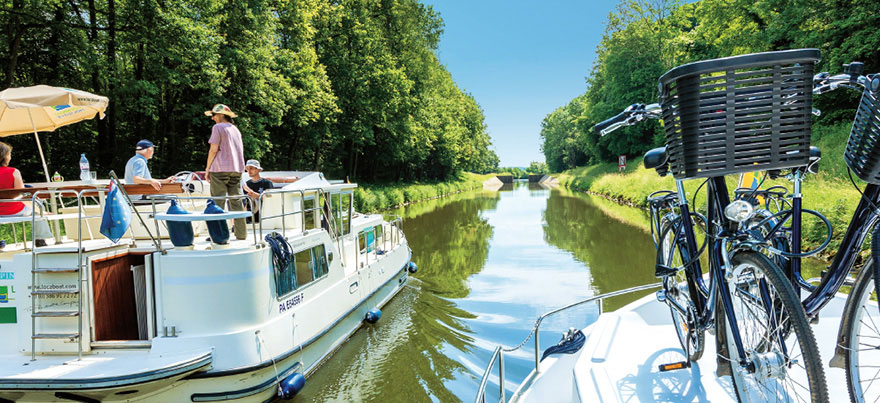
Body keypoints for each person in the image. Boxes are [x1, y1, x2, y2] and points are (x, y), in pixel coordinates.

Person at [204, 104, 246, 240]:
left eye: (214, 115)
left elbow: (213, 150)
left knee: (217, 203)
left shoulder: (217, 127)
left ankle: (218, 235)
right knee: (236, 202)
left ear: (221, 115)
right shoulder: (235, 129)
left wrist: (207, 168)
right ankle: (241, 234)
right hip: (236, 169)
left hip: (220, 169)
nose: (212, 118)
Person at [0, 142, 53, 247]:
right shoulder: (14, 172)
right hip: (15, 210)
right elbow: (24, 197)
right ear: (5, 156)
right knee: (37, 209)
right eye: (9, 154)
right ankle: (39, 239)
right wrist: (42, 211)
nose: (10, 157)